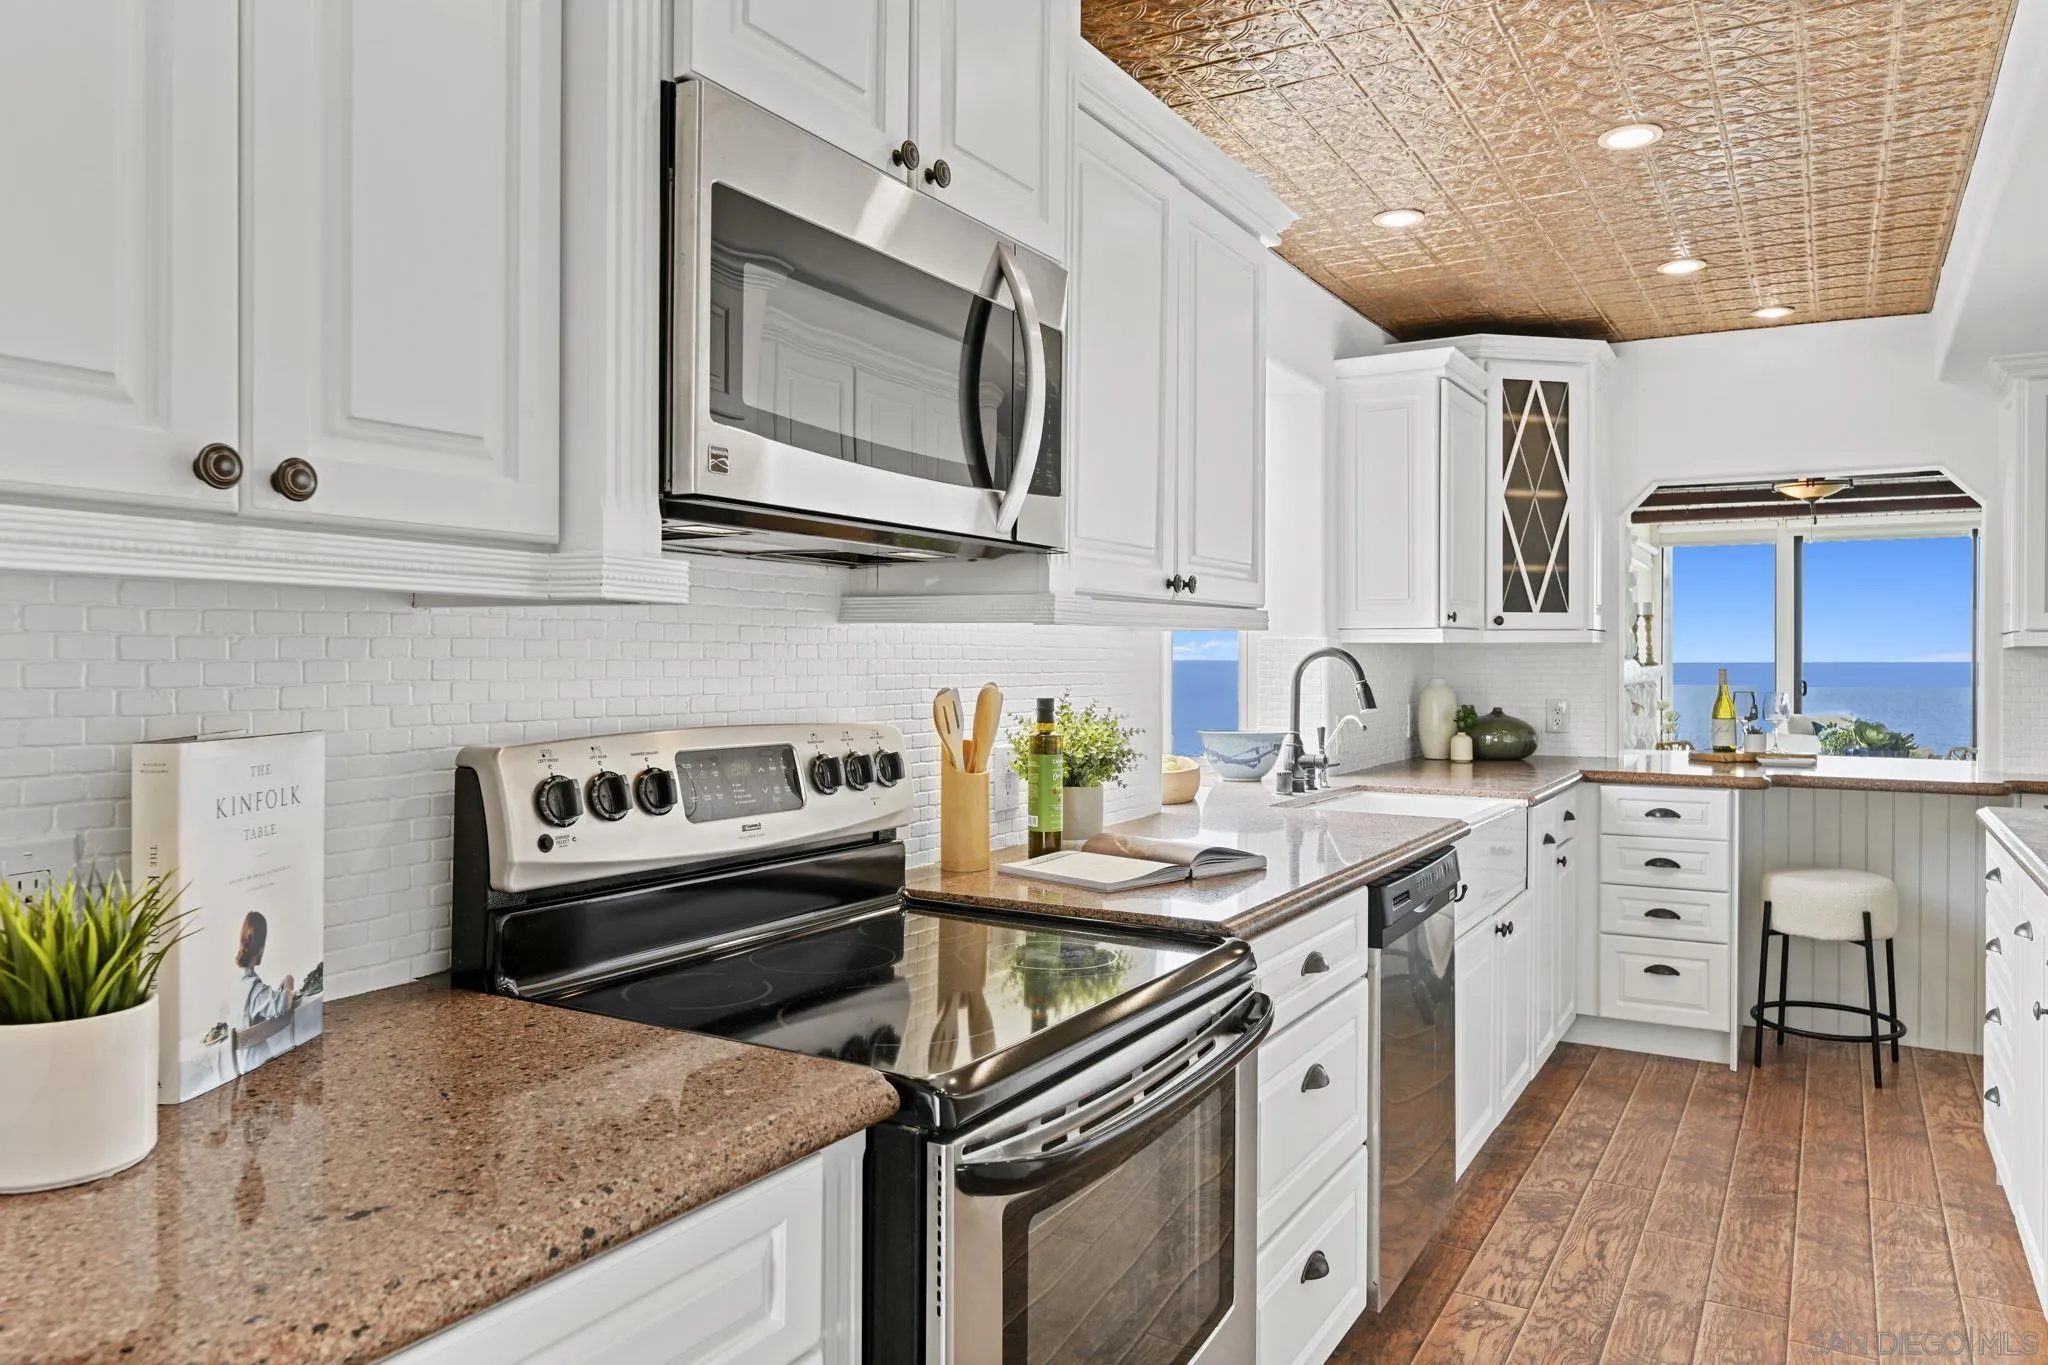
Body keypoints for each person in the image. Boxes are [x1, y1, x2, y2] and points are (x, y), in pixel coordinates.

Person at [236, 911, 295, 1035]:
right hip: (258, 1053)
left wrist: (279, 991)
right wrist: (289, 985)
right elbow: (285, 1005)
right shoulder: (253, 988)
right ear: (260, 946)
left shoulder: (239, 985)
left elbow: (262, 1003)